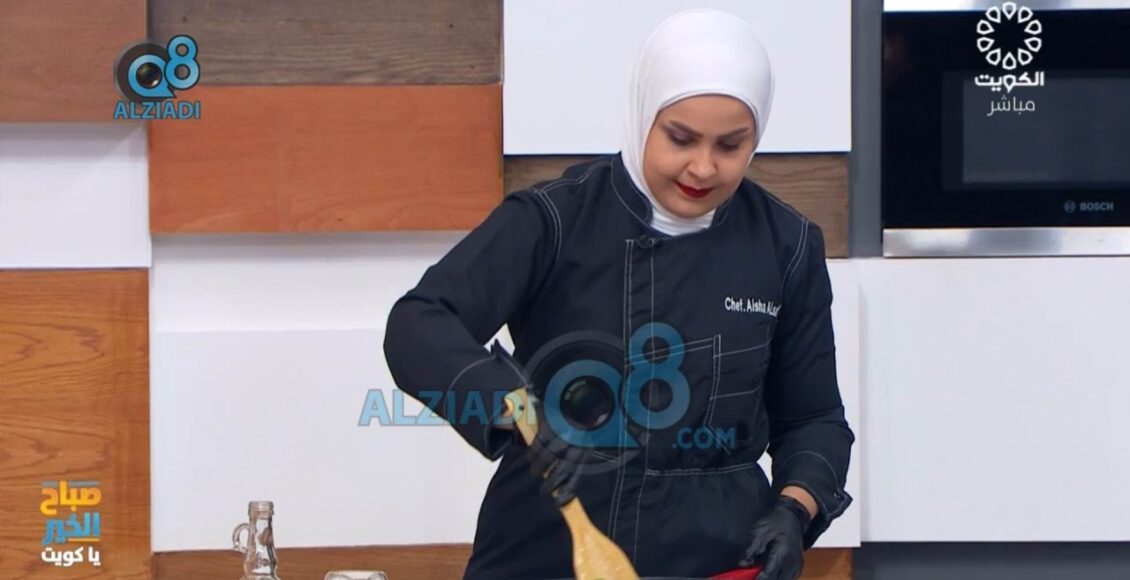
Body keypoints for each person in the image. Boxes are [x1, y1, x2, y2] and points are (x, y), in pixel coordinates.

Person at [384, 9, 855, 580]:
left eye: (731, 146)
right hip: (545, 549)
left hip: (713, 556)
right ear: (642, 113)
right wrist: (515, 409)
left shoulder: (787, 246)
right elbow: (418, 323)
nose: (703, 167)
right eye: (680, 138)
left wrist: (795, 510)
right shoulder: (554, 220)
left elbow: (814, 418)